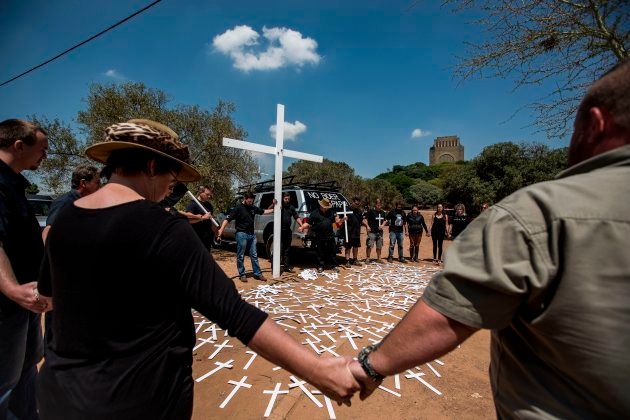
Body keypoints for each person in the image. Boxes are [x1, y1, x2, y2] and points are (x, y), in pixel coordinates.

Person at [349, 60, 630, 417]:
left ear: (595, 124)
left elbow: (448, 315)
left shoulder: (536, 214)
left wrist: (371, 366)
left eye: (574, 130)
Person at [36, 119, 359, 419]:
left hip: (59, 394)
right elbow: (233, 312)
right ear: (151, 166)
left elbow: (48, 296)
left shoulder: (65, 220)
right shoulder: (162, 226)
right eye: (171, 181)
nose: (169, 191)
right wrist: (317, 370)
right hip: (136, 399)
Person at [0, 119, 50, 420]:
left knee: (26, 369)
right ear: (19, 146)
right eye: (42, 149)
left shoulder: (14, 183)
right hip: (6, 307)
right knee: (5, 381)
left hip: (23, 305)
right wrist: (12, 289)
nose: (45, 156)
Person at [217, 191, 275, 282]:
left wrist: (274, 208)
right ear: (245, 199)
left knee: (254, 255)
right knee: (241, 255)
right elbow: (227, 219)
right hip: (241, 234)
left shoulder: (252, 207)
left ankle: (257, 274)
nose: (250, 203)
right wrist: (221, 229)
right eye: (249, 201)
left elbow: (263, 211)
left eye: (252, 201)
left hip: (251, 235)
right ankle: (242, 274)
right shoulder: (238, 208)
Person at [42, 164, 101, 241]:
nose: (100, 186)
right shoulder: (64, 202)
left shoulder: (84, 202)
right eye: (97, 182)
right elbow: (48, 231)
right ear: (83, 183)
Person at [303, 198, 340, 273]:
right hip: (319, 236)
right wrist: (302, 227)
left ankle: (334, 266)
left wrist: (342, 220)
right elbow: (309, 223)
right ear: (321, 206)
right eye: (325, 207)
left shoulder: (331, 212)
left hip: (330, 235)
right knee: (320, 252)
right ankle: (321, 266)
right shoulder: (314, 213)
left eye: (327, 207)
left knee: (332, 251)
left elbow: (337, 222)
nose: (326, 208)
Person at [181, 185, 216, 251]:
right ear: (200, 192)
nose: (209, 196)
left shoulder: (209, 205)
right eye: (207, 194)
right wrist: (203, 218)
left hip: (207, 237)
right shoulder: (192, 204)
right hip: (196, 237)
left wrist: (216, 230)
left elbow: (210, 221)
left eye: (210, 195)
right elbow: (188, 220)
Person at [279, 192, 304, 273]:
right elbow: (270, 208)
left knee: (287, 249)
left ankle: (286, 266)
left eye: (288, 199)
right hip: (279, 231)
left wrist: (302, 225)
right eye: (285, 199)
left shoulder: (291, 207)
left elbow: (296, 217)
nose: (287, 200)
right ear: (282, 198)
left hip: (287, 231)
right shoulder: (279, 206)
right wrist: (275, 205)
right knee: (279, 249)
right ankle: (276, 266)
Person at [340, 197, 364, 267]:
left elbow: (361, 220)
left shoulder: (358, 211)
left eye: (358, 204)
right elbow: (340, 220)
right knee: (348, 247)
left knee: (356, 246)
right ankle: (347, 261)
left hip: (356, 232)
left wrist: (366, 225)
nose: (357, 205)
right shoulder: (346, 209)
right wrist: (343, 219)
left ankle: (355, 260)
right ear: (352, 202)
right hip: (348, 232)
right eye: (356, 203)